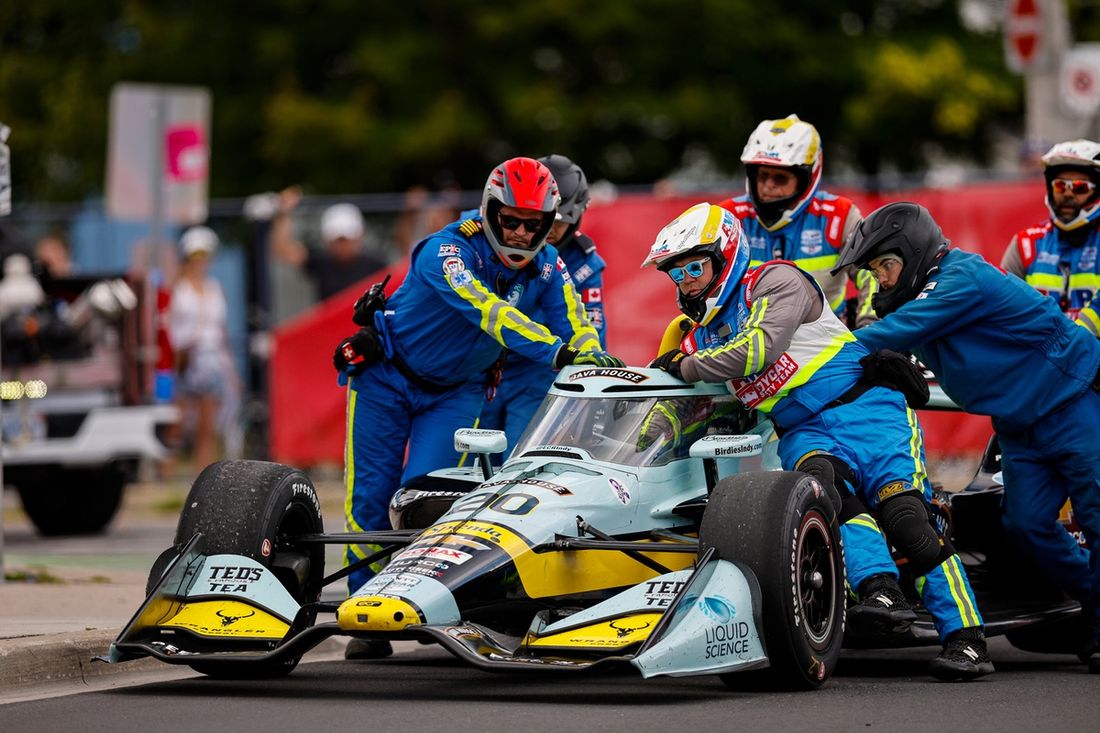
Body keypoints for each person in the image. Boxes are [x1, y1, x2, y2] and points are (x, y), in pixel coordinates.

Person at [645, 202, 991, 681]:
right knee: (826, 497)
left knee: (907, 517)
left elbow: (758, 348)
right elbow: (677, 396)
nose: (685, 281)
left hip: (866, 410)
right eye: (676, 273)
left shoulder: (774, 281)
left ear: (724, 257)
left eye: (694, 267)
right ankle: (880, 591)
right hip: (803, 431)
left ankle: (968, 638)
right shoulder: (695, 335)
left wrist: (684, 365)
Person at [332, 157, 620, 659]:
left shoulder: (550, 264)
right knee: (371, 500)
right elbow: (491, 313)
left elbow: (575, 319)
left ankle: (423, 600)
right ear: (489, 211)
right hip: (385, 379)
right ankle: (366, 613)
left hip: (458, 393)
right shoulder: (447, 249)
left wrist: (591, 353)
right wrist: (557, 350)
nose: (521, 233)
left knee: (424, 499)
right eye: (510, 220)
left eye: (535, 225)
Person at [834, 200, 1100, 675]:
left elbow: (892, 334)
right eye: (874, 271)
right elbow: (889, 344)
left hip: (1074, 401)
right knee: (1025, 528)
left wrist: (816, 353)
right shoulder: (922, 299)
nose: (881, 279)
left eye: (886, 265)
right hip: (1020, 425)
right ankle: (1092, 604)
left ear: (912, 253)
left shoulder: (961, 279)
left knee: (1097, 518)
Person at [478, 154, 608, 459]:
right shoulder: (480, 234)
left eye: (554, 223)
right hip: (478, 367)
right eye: (520, 218)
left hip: (538, 371)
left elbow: (591, 336)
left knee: (520, 459)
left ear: (575, 218)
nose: (537, 231)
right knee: (466, 462)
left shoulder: (585, 264)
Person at [717, 114, 877, 329]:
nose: (768, 186)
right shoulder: (728, 217)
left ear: (806, 178)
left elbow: (873, 276)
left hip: (827, 342)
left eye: (780, 178)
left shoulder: (839, 215)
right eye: (762, 176)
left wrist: (869, 329)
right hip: (748, 344)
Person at [1002, 140, 1100, 338]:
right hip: (1040, 361)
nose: (1068, 194)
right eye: (1060, 185)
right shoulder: (1025, 244)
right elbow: (1001, 310)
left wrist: (1072, 340)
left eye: (1080, 187)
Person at [167, 226, 238, 474]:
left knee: (207, 425)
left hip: (210, 360)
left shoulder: (214, 288)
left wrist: (231, 370)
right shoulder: (178, 287)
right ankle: (164, 476)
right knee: (175, 422)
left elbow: (221, 331)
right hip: (184, 359)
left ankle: (204, 476)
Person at [270, 186, 388, 300]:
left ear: (360, 236)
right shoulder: (320, 261)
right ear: (327, 240)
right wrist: (284, 214)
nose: (343, 245)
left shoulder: (376, 264)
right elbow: (283, 250)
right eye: (338, 239)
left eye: (347, 238)